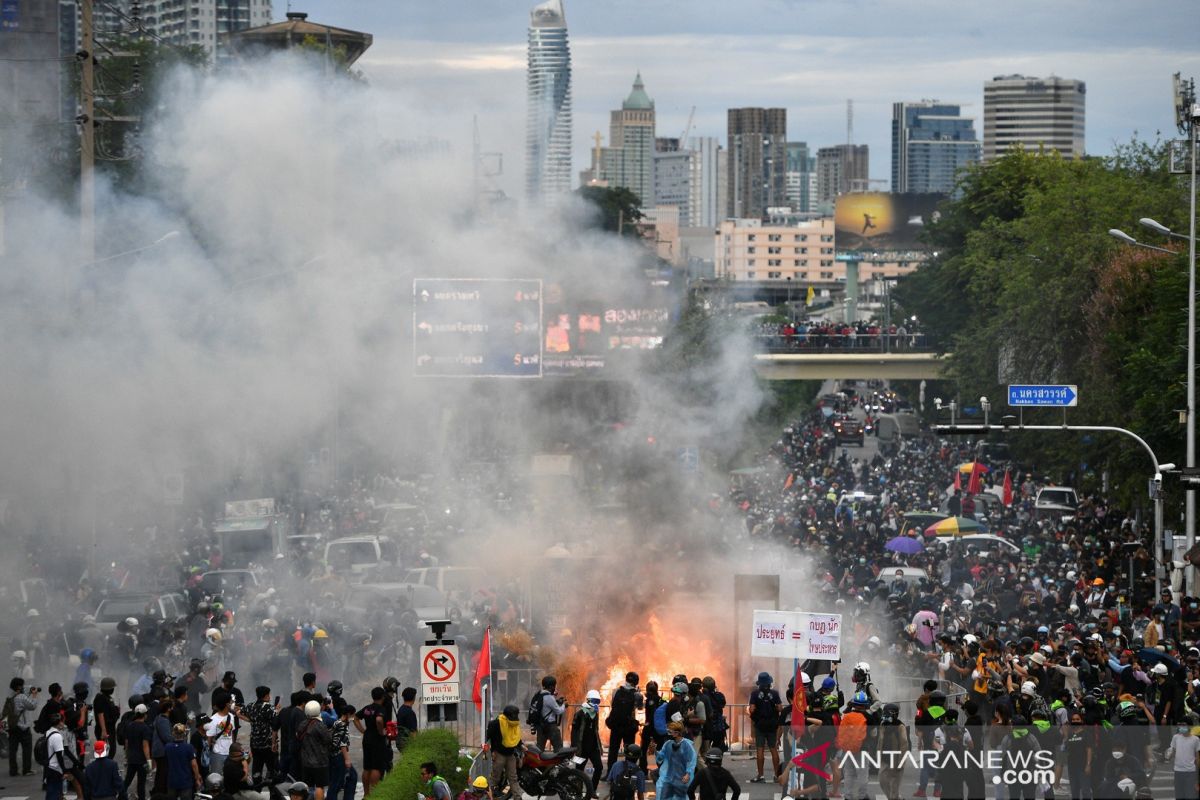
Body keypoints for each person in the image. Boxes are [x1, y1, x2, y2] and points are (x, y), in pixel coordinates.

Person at [746, 672, 782, 783]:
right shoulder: (775, 693)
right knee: (773, 749)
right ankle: (777, 775)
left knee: (760, 749)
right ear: (769, 682)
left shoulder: (754, 694)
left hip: (760, 725)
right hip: (772, 725)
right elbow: (780, 708)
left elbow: (751, 709)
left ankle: (760, 775)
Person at [605, 673, 641, 781]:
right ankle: (628, 774)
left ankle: (609, 774)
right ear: (636, 682)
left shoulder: (616, 691)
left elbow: (613, 705)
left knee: (613, 751)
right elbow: (639, 708)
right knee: (629, 750)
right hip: (628, 727)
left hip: (616, 726)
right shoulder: (637, 694)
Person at [354, 687, 389, 796]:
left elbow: (355, 717)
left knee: (367, 767)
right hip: (377, 740)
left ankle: (366, 794)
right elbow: (379, 720)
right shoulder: (381, 709)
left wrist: (363, 731)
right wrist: (381, 732)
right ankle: (374, 794)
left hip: (367, 738)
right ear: (383, 697)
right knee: (376, 767)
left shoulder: (367, 708)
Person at [485, 705, 523, 800]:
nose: (515, 717)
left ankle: (518, 798)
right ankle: (489, 797)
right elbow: (488, 737)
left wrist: (521, 745)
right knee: (495, 778)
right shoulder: (497, 723)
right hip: (499, 754)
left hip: (510, 754)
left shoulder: (514, 724)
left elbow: (515, 737)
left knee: (513, 778)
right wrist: (491, 751)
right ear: (507, 715)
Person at [296, 700, 332, 800]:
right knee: (320, 786)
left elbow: (298, 737)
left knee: (308, 786)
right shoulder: (320, 725)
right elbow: (328, 740)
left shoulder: (302, 724)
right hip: (320, 762)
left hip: (306, 761)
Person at [245, 686, 278, 782]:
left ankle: (257, 789)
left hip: (255, 744)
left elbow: (239, 712)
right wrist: (273, 743)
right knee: (272, 769)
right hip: (268, 744)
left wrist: (251, 720)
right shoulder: (270, 708)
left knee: (257, 767)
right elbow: (275, 726)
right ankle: (273, 791)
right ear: (266, 695)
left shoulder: (251, 706)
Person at [655, 722, 695, 800]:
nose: (668, 734)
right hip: (668, 776)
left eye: (670, 732)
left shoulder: (687, 745)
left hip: (681, 777)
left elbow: (691, 761)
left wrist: (688, 774)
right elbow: (661, 757)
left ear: (676, 733)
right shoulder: (667, 744)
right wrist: (655, 751)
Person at [877, 703, 909, 800]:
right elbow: (880, 741)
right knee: (882, 781)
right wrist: (878, 757)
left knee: (894, 788)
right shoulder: (883, 725)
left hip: (896, 760)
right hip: (885, 759)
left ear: (895, 714)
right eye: (884, 713)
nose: (885, 716)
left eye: (888, 714)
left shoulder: (900, 726)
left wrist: (901, 763)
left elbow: (904, 745)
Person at [8, 677, 38, 776]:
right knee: (27, 748)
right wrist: (34, 695)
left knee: (13, 749)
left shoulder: (10, 696)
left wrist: (28, 693)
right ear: (19, 686)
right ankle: (26, 770)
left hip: (12, 726)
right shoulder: (21, 697)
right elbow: (32, 706)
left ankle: (13, 770)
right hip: (23, 727)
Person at [165, 722, 203, 800]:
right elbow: (194, 765)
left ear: (173, 733)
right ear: (185, 733)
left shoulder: (167, 747)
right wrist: (197, 778)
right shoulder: (189, 747)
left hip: (172, 781)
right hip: (185, 782)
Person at [327, 702, 356, 800]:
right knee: (338, 782)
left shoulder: (337, 722)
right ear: (348, 714)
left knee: (339, 780)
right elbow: (342, 743)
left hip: (333, 756)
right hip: (338, 756)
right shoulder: (343, 725)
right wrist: (347, 760)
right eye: (352, 715)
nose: (353, 718)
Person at [529, 676, 566, 752]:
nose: (555, 688)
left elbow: (546, 706)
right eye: (554, 686)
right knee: (558, 747)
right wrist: (564, 705)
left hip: (540, 725)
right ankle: (559, 763)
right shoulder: (549, 697)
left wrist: (557, 701)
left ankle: (539, 762)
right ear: (551, 686)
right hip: (550, 726)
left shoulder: (539, 694)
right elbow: (558, 711)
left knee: (539, 748)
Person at [123, 703, 152, 800]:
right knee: (141, 783)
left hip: (131, 758)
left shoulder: (129, 726)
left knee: (127, 781)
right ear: (144, 714)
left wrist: (127, 757)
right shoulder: (145, 728)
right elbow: (145, 746)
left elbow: (126, 743)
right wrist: (148, 760)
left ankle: (120, 796)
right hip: (141, 760)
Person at [1166, 721, 1200, 800]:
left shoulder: (1195, 739)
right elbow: (1172, 751)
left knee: (1190, 795)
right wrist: (1168, 754)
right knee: (1179, 795)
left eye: (1183, 725)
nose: (1181, 727)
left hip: (1190, 772)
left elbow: (1197, 758)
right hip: (1178, 771)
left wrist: (1197, 776)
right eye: (1180, 725)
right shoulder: (1176, 737)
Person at [43, 707, 69, 800]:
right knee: (54, 794)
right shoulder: (57, 736)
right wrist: (64, 771)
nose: (63, 723)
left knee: (51, 794)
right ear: (59, 722)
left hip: (49, 768)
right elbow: (59, 756)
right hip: (55, 769)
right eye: (62, 721)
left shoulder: (48, 732)